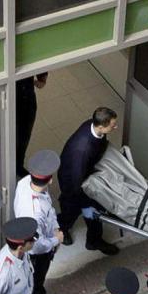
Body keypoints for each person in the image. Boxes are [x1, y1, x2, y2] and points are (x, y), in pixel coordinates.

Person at [57, 107, 119, 254]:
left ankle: (91, 239)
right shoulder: (83, 148)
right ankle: (65, 229)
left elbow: (100, 146)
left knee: (81, 209)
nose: (115, 127)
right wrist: (86, 200)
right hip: (72, 180)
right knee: (79, 208)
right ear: (101, 126)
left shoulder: (92, 126)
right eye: (112, 125)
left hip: (79, 173)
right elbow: (77, 179)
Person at [14, 150, 63, 294]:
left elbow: (49, 209)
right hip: (37, 255)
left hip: (44, 241)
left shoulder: (26, 182)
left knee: (37, 282)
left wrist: (55, 227)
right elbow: (36, 245)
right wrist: (56, 239)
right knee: (35, 283)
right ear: (49, 180)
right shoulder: (34, 212)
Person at [15, 73, 48, 178]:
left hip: (25, 99)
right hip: (22, 97)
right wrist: (41, 80)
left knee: (23, 137)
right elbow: (41, 82)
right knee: (21, 137)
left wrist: (41, 79)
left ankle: (18, 165)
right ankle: (17, 165)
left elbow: (41, 81)